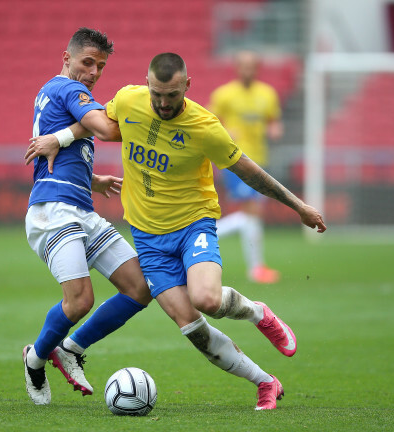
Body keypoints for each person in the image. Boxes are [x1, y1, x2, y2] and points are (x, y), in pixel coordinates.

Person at [26, 53, 326, 410]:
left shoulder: (205, 126)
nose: (163, 103)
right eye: (157, 94)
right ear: (147, 85)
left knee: (207, 300)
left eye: (171, 95)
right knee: (192, 327)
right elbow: (99, 125)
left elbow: (249, 171)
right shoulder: (129, 99)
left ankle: (257, 313)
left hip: (192, 225)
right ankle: (265, 382)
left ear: (187, 86)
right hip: (149, 240)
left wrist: (299, 206)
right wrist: (59, 139)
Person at [22, 27, 152, 406]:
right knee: (80, 301)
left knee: (140, 287)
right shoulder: (69, 90)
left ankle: (72, 348)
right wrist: (148, 103)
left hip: (80, 206)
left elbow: (55, 145)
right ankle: (34, 359)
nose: (93, 72)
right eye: (87, 63)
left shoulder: (52, 92)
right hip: (55, 210)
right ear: (67, 57)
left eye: (100, 66)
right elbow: (110, 129)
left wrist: (90, 178)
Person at [208, 51, 284, 284]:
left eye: (252, 66)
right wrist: (225, 131)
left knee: (252, 214)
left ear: (257, 68)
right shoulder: (224, 94)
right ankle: (255, 268)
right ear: (237, 67)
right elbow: (207, 121)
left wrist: (274, 129)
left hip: (259, 159)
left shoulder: (267, 94)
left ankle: (255, 266)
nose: (248, 71)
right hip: (234, 159)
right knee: (252, 212)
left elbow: (273, 121)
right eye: (244, 66)